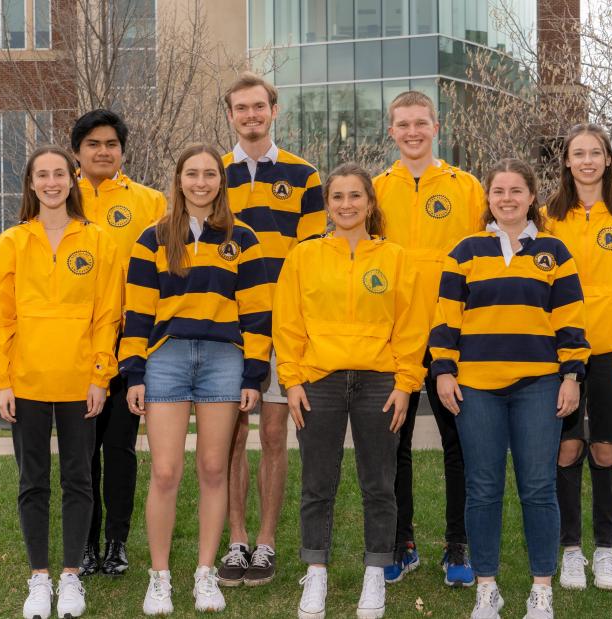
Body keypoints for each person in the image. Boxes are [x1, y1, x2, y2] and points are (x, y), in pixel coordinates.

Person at [431, 158, 589, 619]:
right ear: (488, 198)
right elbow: (446, 319)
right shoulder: (464, 250)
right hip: (476, 387)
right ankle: (487, 588)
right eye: (498, 191)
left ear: (531, 196)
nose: (506, 198)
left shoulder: (554, 253)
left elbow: (571, 322)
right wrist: (443, 370)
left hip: (538, 386)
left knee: (538, 487)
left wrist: (571, 376)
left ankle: (542, 589)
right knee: (482, 488)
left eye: (515, 190)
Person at [119, 143, 272, 615]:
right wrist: (134, 372)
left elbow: (257, 311)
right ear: (179, 179)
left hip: (224, 360)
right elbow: (138, 313)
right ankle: (159, 578)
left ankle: (205, 575)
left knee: (213, 468)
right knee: (165, 472)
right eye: (192, 173)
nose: (201, 182)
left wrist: (254, 372)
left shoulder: (242, 238)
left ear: (220, 181)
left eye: (210, 173)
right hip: (166, 358)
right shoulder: (153, 237)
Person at [273, 164, 427, 619]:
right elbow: (288, 321)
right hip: (318, 380)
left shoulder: (395, 257)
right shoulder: (304, 256)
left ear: (370, 203)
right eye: (337, 197)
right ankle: (315, 573)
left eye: (355, 196)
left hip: (379, 382)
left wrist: (404, 384)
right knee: (318, 482)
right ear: (327, 205)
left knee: (379, 482)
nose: (346, 205)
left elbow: (412, 327)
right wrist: (292, 378)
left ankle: (375, 572)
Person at [0, 145, 120, 619]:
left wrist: (101, 375)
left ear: (72, 179)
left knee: (80, 481)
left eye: (59, 173)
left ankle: (71, 578)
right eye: (42, 175)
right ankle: (39, 579)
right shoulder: (11, 243)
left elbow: (107, 315)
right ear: (31, 184)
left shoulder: (99, 241)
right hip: (27, 383)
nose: (52, 182)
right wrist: (1, 381)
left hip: (81, 382)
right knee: (33, 482)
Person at [372, 90, 485, 587]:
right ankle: (402, 542)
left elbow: (482, 257)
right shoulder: (374, 189)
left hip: (450, 332)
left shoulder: (467, 187)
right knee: (390, 442)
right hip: (394, 332)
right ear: (391, 131)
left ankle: (458, 543)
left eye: (421, 122)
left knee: (457, 441)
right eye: (403, 124)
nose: (412, 131)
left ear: (436, 128)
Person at [218, 72, 326, 588]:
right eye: (241, 109)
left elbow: (310, 259)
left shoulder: (304, 175)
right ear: (231, 115)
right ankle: (235, 542)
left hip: (284, 326)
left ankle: (266, 543)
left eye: (258, 107)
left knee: (274, 434)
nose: (251, 115)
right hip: (230, 326)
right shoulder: (212, 174)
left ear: (273, 111)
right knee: (233, 435)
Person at [543, 123, 612, 592]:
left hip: (611, 350)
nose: (586, 161)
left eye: (595, 153)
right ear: (566, 162)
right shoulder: (547, 217)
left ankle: (605, 550)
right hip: (557, 354)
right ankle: (571, 551)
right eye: (577, 153)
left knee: (605, 450)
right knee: (566, 449)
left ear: (608, 160)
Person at [71, 109, 168, 578]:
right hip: (74, 343)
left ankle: (116, 544)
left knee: (120, 447)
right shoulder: (58, 198)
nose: (103, 151)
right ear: (77, 152)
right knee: (81, 448)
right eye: (93, 144)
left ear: (122, 151)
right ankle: (85, 544)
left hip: (130, 340)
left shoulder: (150, 202)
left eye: (111, 144)